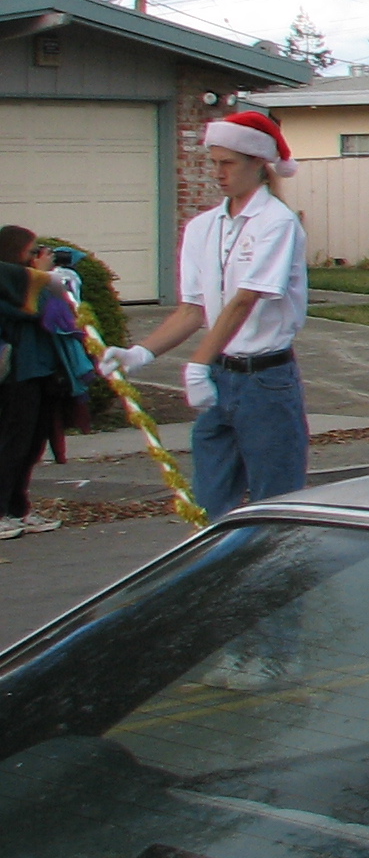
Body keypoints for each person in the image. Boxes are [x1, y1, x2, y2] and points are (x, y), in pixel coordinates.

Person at [99, 111, 310, 520]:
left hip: (265, 381)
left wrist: (198, 363)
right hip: (222, 379)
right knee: (209, 504)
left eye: (227, 163)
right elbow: (194, 309)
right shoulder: (202, 227)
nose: (218, 173)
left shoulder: (276, 223)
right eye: (213, 163)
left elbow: (243, 301)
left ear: (257, 163)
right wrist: (140, 353)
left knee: (276, 506)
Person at [0, 229, 62, 539]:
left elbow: (58, 316)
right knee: (12, 442)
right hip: (15, 374)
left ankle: (17, 508)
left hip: (39, 371)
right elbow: (30, 312)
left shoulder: (34, 283)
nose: (35, 257)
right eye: (30, 251)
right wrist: (39, 278)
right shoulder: (8, 284)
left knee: (32, 443)